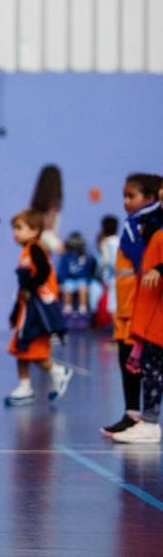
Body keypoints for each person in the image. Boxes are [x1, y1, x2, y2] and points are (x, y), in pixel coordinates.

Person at [103, 173, 163, 435]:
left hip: (140, 306)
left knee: (144, 363)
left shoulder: (142, 227)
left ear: (150, 199)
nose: (126, 202)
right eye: (124, 196)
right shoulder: (135, 226)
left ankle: (147, 419)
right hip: (124, 305)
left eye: (132, 196)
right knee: (127, 360)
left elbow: (145, 263)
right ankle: (131, 413)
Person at [4, 210, 73, 406]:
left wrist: (31, 288)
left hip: (37, 312)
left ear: (34, 230)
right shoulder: (26, 251)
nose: (15, 233)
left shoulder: (35, 249)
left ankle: (57, 371)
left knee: (33, 350)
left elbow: (43, 271)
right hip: (27, 311)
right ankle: (25, 386)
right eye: (14, 229)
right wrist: (14, 313)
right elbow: (23, 286)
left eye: (19, 228)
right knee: (20, 347)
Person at [57, 232, 98, 317]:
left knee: (83, 288)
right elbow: (62, 270)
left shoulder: (86, 257)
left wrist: (89, 282)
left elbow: (89, 270)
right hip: (69, 279)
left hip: (81, 279)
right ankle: (67, 308)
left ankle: (82, 309)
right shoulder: (66, 257)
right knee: (67, 288)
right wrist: (60, 282)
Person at [30, 165, 65, 255]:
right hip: (42, 256)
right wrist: (57, 245)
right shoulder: (51, 208)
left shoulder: (35, 209)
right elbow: (45, 232)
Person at [98, 215, 121, 315]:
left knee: (112, 307)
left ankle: (116, 330)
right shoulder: (119, 240)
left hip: (112, 277)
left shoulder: (105, 243)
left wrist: (103, 276)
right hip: (123, 275)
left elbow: (105, 262)